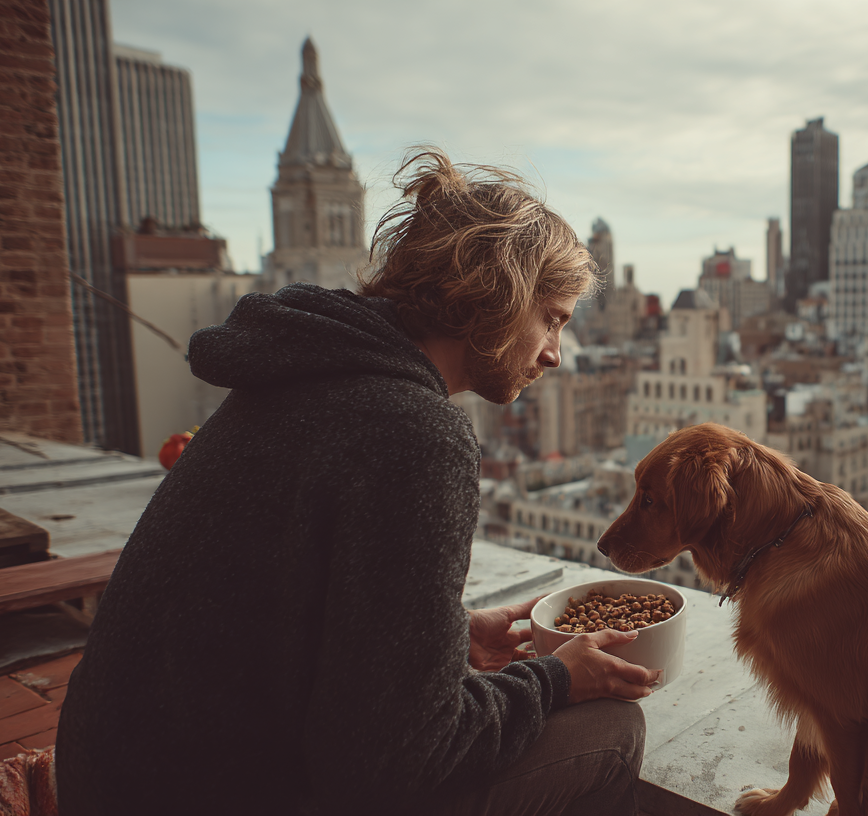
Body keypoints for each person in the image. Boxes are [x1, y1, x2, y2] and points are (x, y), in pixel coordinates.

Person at [55, 150, 660, 816]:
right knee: (611, 732)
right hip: (216, 796)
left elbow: (273, 609)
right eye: (552, 318)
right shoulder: (414, 432)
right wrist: (554, 680)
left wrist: (444, 640)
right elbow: (392, 762)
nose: (554, 352)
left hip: (110, 780)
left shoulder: (299, 376)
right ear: (500, 294)